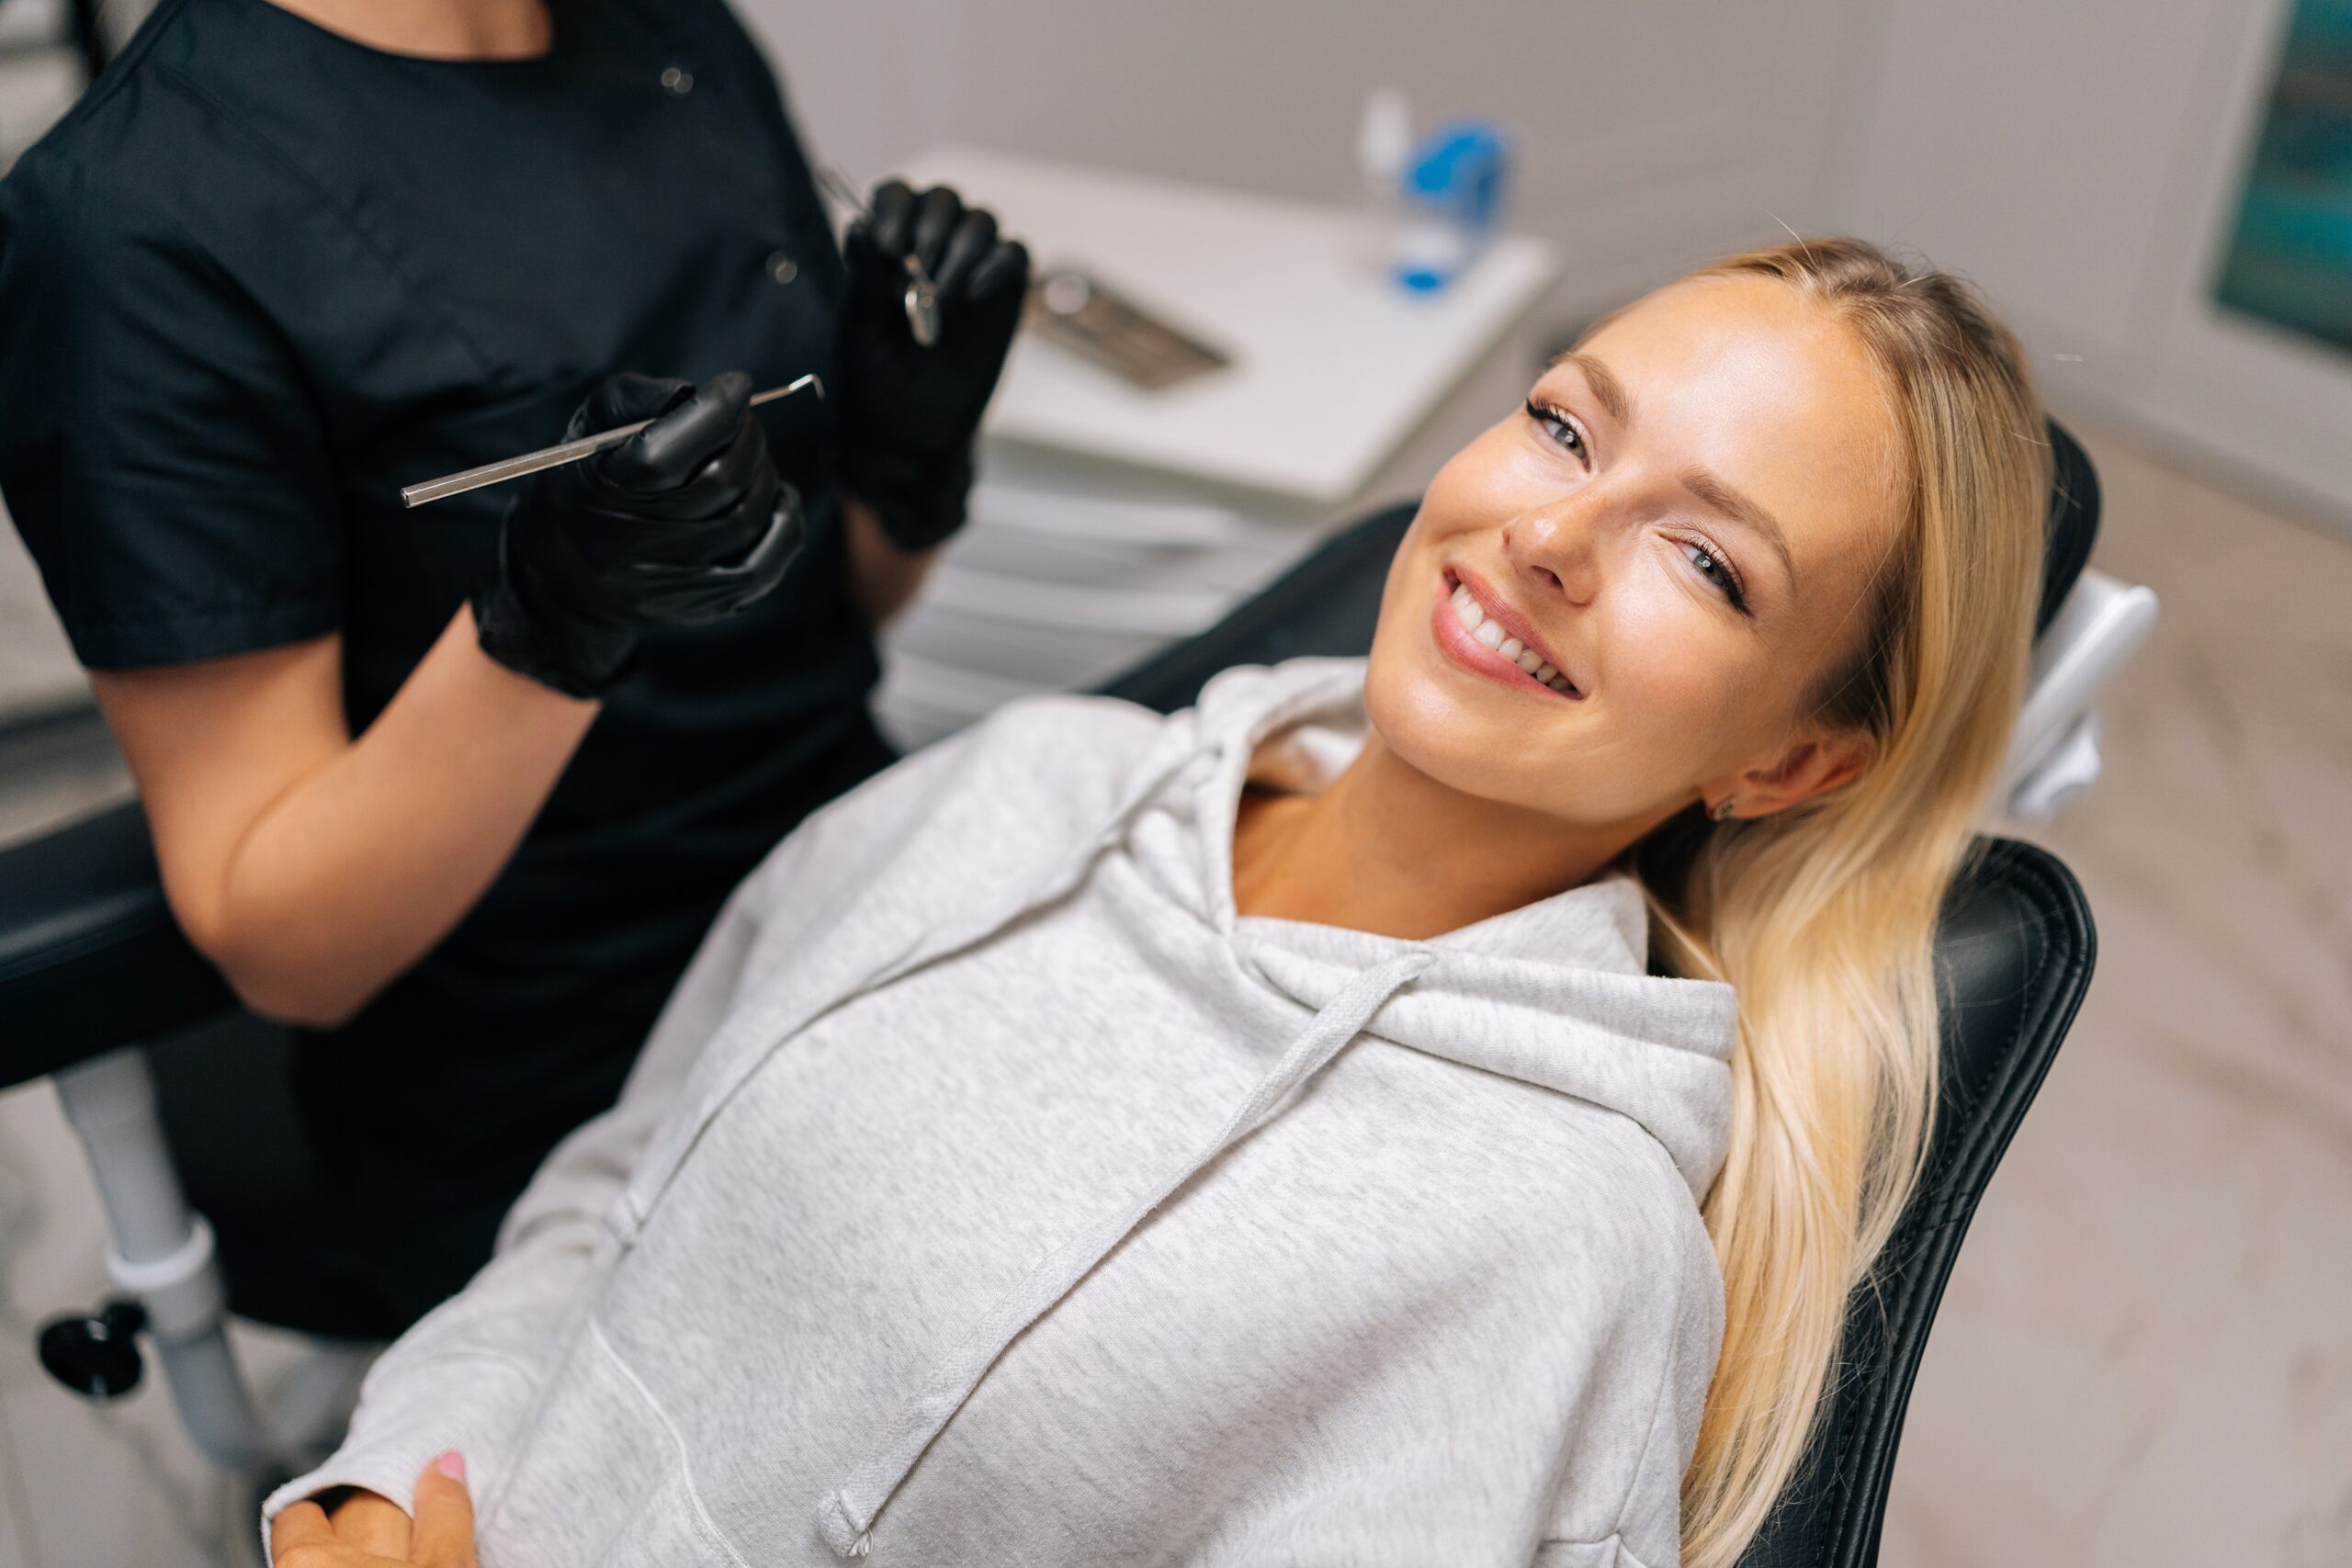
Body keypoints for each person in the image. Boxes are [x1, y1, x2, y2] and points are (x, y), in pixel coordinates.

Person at [259, 237, 2049, 1568]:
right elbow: (609, 1200)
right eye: (1565, 429)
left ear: (1789, 764)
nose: (1551, 538)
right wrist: (380, 1474)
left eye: (1705, 557)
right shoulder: (1028, 778)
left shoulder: (1547, 1246)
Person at [0, 0, 1028, 1332]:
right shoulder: (135, 224)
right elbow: (288, 948)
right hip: (559, 1068)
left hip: (863, 895)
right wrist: (549, 623)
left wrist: (913, 451)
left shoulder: (675, 40)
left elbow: (832, 618)